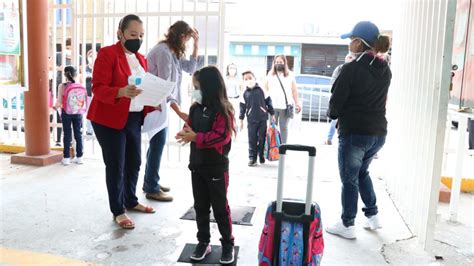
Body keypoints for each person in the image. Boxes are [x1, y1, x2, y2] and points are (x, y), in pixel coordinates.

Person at [87, 14, 155, 229]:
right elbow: (97, 88)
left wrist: (154, 99)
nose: (138, 39)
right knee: (116, 164)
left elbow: (143, 89)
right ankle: (118, 210)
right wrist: (121, 91)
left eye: (141, 35)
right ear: (120, 33)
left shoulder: (141, 59)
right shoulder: (108, 54)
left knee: (134, 161)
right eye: (133, 34)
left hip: (133, 117)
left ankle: (131, 200)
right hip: (108, 119)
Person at [325, 21, 392, 239]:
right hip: (378, 134)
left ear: (359, 42)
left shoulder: (350, 69)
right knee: (362, 173)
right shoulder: (385, 70)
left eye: (350, 39)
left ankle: (347, 224)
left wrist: (333, 115)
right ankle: (373, 216)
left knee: (350, 178)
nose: (348, 43)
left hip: (355, 133)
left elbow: (335, 105)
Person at [175, 66, 235, 264]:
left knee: (220, 209)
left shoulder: (223, 110)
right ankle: (203, 242)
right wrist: (185, 134)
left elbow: (222, 136)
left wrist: (196, 137)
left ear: (209, 87)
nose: (194, 91)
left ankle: (227, 244)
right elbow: (190, 126)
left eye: (197, 87)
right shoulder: (195, 108)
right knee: (200, 207)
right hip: (197, 167)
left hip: (216, 168)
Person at [142, 20, 199, 202]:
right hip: (155, 102)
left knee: (156, 143)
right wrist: (179, 111)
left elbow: (190, 68)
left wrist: (197, 45)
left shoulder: (172, 52)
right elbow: (164, 87)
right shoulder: (164, 52)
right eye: (188, 40)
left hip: (161, 103)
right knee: (157, 143)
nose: (187, 44)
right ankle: (151, 186)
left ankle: (151, 181)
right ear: (182, 37)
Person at [239, 70, 275, 166]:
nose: (248, 80)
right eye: (246, 79)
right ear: (243, 81)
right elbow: (242, 107)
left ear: (254, 78)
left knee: (262, 138)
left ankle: (261, 155)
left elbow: (269, 101)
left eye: (250, 78)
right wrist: (241, 120)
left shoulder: (261, 89)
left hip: (262, 119)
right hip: (251, 120)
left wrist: (272, 113)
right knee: (252, 139)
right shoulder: (244, 93)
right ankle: (252, 158)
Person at [265, 55, 301, 144]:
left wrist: (297, 103)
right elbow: (265, 88)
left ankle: (283, 148)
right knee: (272, 127)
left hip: (285, 106)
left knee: (284, 127)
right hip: (272, 106)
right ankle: (273, 148)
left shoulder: (290, 75)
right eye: (276, 62)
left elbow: (294, 91)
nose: (278, 64)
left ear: (284, 63)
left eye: (280, 62)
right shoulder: (270, 74)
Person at [54, 66, 85, 165]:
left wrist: (55, 107)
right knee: (78, 135)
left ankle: (66, 158)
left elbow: (59, 102)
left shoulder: (62, 86)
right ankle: (80, 157)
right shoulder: (80, 85)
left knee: (66, 134)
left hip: (66, 112)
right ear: (76, 74)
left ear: (65, 75)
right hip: (78, 112)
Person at [324, 53, 355, 145]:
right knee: (335, 120)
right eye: (349, 57)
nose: (350, 59)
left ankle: (333, 139)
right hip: (340, 100)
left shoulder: (356, 70)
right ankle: (329, 138)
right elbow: (333, 83)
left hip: (350, 102)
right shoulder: (340, 69)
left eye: (352, 58)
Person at [225, 63, 241, 129]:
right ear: (228, 69)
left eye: (234, 68)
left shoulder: (238, 79)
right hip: (228, 99)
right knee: (228, 115)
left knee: (236, 116)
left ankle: (235, 130)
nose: (232, 70)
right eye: (231, 68)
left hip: (236, 99)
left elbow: (241, 89)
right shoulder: (226, 79)